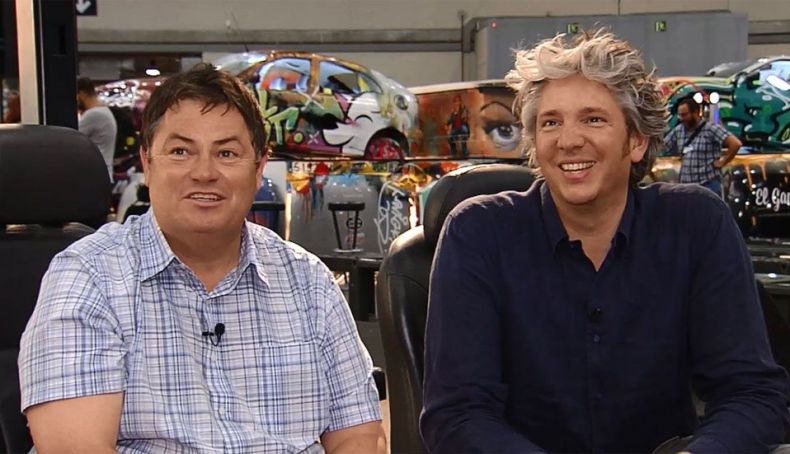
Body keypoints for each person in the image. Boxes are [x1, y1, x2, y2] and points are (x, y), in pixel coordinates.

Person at [421, 29, 789, 453]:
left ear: (637, 141)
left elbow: (751, 393)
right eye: (550, 122)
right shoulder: (477, 233)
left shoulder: (696, 225)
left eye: (593, 119)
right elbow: (457, 415)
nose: (568, 140)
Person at [19, 63, 385, 453]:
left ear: (258, 168)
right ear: (148, 163)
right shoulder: (89, 276)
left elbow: (359, 436)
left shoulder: (309, 281)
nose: (204, 172)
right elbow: (76, 447)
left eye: (227, 153)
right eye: (181, 151)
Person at [665, 96, 742, 197]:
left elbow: (735, 143)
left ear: (695, 112)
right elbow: (664, 145)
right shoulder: (678, 130)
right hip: (686, 186)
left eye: (685, 115)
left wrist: (723, 162)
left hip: (707, 185)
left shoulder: (711, 129)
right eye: (680, 115)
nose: (681, 118)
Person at [77, 76, 118, 182]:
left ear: (82, 93)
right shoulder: (104, 111)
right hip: (102, 174)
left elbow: (71, 138)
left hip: (95, 176)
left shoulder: (94, 114)